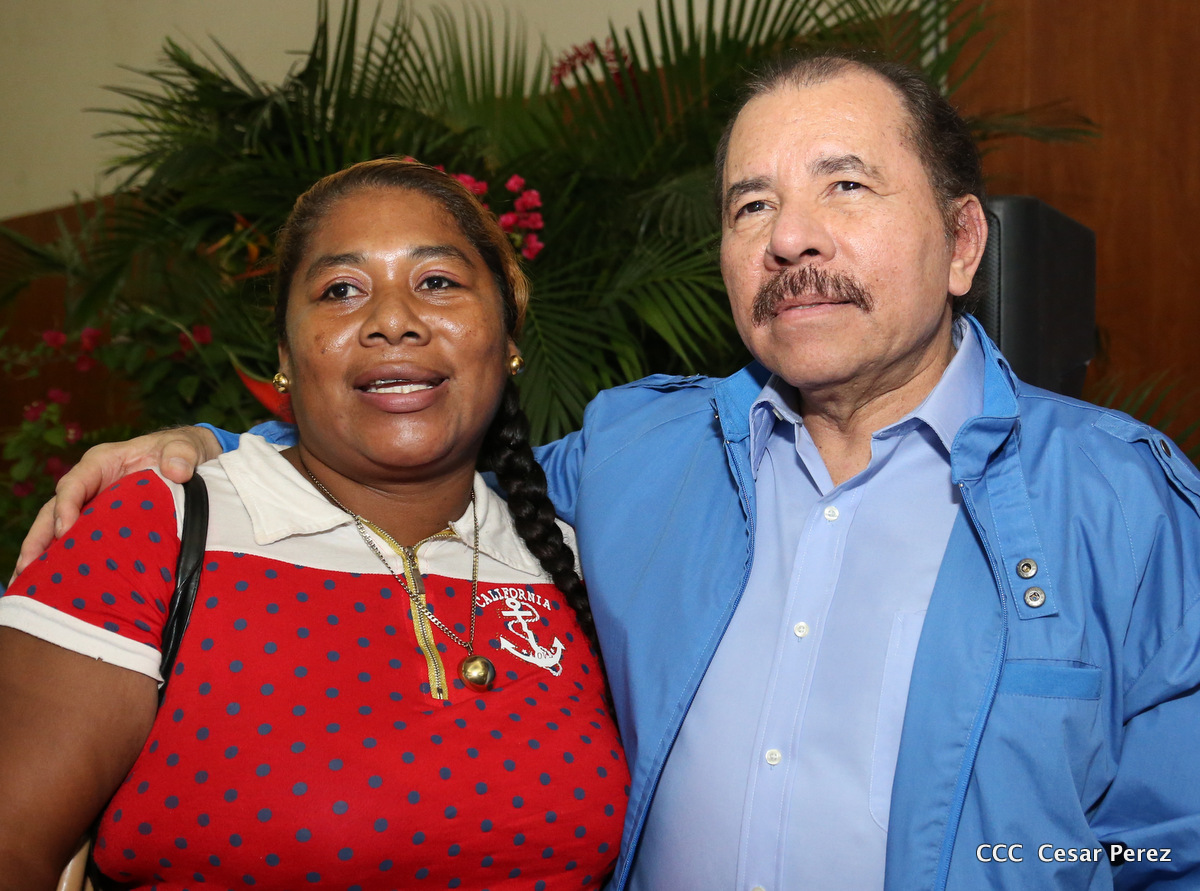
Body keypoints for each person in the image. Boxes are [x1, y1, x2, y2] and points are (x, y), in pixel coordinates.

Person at [16, 51, 1200, 890]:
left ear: (962, 242)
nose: (791, 238)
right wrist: (220, 448)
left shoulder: (1125, 504)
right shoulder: (642, 459)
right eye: (752, 204)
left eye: (845, 185)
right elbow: (419, 458)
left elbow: (1171, 848)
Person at [0, 160, 629, 889]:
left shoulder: (571, 564)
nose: (393, 319)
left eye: (437, 282)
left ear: (509, 337)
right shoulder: (159, 525)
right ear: (285, 357)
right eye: (341, 290)